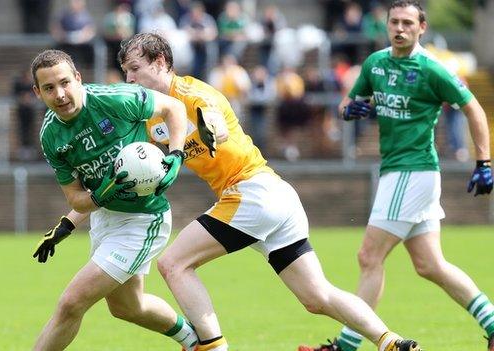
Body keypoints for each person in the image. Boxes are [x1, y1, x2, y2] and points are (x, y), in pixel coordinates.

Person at [44, 33, 422, 351]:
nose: (128, 78)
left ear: (160, 62)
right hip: (274, 196)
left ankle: (212, 345)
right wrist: (69, 220)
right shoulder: (150, 121)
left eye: (135, 69)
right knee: (316, 298)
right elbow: (120, 177)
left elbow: (214, 121)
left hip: (252, 191)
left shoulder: (192, 92)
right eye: (125, 71)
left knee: (173, 263)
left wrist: (211, 131)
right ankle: (391, 342)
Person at [299, 1, 494, 351]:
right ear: (386, 26)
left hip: (414, 169)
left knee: (368, 257)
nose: (400, 29)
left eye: (407, 23)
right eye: (394, 22)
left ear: (422, 27)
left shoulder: (434, 69)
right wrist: (351, 109)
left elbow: (473, 108)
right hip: (398, 171)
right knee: (430, 264)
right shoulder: (375, 63)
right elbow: (347, 104)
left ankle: (346, 346)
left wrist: (483, 162)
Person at [29, 49, 199, 351]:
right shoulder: (51, 136)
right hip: (105, 219)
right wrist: (101, 194)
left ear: (78, 79)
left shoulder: (117, 98)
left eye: (65, 83)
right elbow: (77, 199)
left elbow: (174, 108)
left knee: (71, 302)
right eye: (49, 88)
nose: (60, 94)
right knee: (127, 307)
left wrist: (175, 155)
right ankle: (193, 341)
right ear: (37, 92)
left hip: (144, 219)